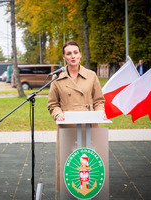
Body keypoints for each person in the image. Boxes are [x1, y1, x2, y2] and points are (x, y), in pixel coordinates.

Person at [47, 40, 105, 192]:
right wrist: (58, 114)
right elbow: (53, 104)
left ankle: (90, 192)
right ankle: (68, 192)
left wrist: (100, 113)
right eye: (68, 53)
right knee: (68, 161)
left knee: (89, 161)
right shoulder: (57, 79)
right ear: (64, 57)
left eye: (75, 52)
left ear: (80, 54)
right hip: (67, 125)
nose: (72, 56)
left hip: (89, 124)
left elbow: (99, 100)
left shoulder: (91, 76)